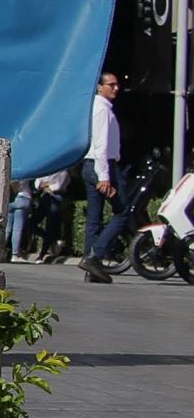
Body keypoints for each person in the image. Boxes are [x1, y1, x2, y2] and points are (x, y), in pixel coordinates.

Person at [84, 70, 125, 282]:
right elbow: (101, 146)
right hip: (102, 165)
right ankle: (95, 255)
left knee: (94, 218)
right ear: (100, 87)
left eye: (117, 84)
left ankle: (91, 267)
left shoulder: (97, 107)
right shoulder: (101, 110)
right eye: (111, 84)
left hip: (91, 165)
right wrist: (104, 176)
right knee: (123, 212)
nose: (116, 88)